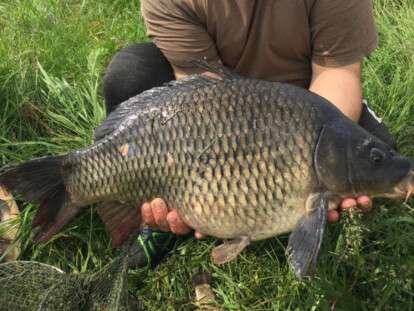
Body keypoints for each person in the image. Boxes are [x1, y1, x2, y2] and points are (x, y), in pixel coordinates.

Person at [105, 0, 396, 266]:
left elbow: (337, 72)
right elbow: (203, 101)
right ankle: (155, 208)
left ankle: (303, 201)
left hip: (306, 102)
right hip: (224, 109)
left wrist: (317, 159)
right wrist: (222, 179)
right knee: (131, 74)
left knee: (374, 156)